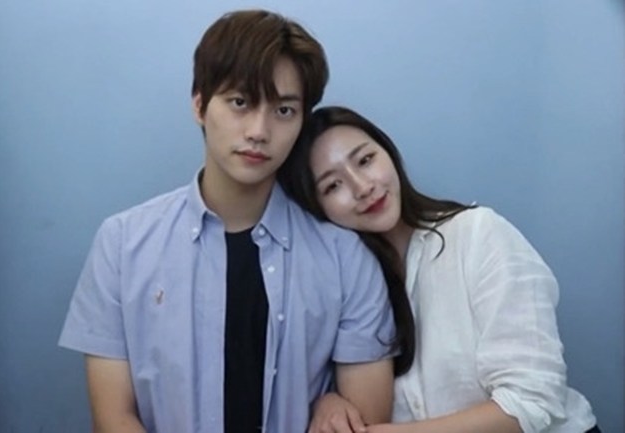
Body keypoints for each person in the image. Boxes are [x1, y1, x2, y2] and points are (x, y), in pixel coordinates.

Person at [58, 12, 398, 433]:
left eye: (284, 110)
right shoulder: (123, 244)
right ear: (199, 105)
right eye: (240, 102)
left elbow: (366, 421)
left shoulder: (345, 258)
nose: (259, 131)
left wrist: (329, 402)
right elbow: (113, 419)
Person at [280, 106, 600, 433]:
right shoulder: (346, 288)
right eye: (333, 186)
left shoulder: (478, 234)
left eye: (365, 160)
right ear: (315, 208)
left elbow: (533, 402)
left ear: (388, 153)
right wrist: (327, 401)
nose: (362, 187)